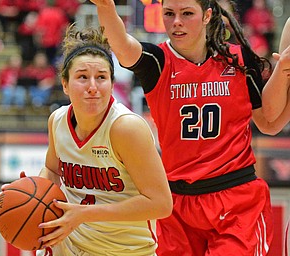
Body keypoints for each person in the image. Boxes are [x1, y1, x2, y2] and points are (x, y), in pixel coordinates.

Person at [89, 0, 290, 255]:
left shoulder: (237, 59)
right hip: (177, 205)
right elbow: (122, 45)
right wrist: (106, 7)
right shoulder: (158, 61)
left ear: (207, 16)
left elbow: (268, 121)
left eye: (187, 14)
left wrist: (283, 71)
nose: (177, 22)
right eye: (169, 14)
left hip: (235, 200)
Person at [0, 23, 172, 255]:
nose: (92, 87)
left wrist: (83, 214)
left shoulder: (126, 128)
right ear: (65, 85)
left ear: (111, 82)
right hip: (68, 245)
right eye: (82, 77)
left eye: (101, 77)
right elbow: (52, 169)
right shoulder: (57, 120)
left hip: (125, 250)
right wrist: (29, 190)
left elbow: (161, 204)